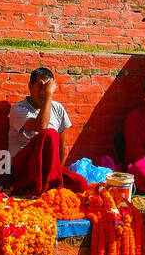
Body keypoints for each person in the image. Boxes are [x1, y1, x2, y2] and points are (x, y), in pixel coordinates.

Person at [7, 67, 87, 196]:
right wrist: (49, 95)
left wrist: (58, 170)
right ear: (30, 86)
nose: (43, 92)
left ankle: (52, 184)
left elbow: (61, 144)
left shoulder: (57, 108)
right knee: (49, 134)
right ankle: (38, 188)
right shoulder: (18, 109)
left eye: (47, 87)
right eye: (40, 87)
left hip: (48, 168)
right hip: (25, 168)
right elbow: (42, 126)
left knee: (81, 184)